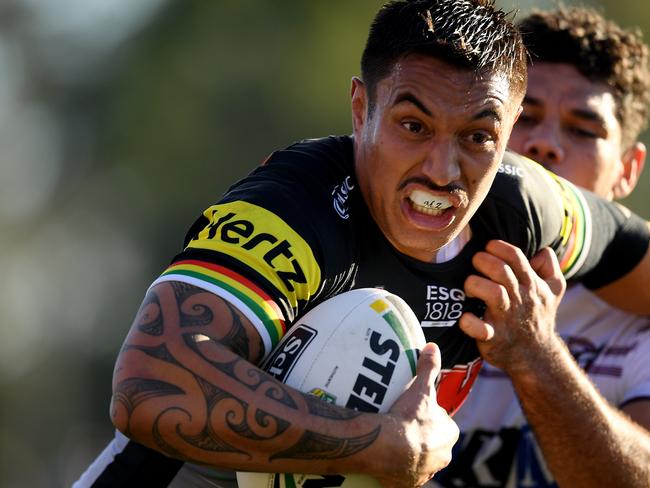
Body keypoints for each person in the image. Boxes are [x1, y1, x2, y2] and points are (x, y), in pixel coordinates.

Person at [74, 1, 650, 487]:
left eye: (477, 136)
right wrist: (375, 443)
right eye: (413, 126)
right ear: (361, 108)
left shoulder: (527, 207)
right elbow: (148, 382)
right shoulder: (295, 211)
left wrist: (536, 352)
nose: (442, 170)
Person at [434, 6, 650, 487]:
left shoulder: (640, 324)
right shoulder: (410, 264)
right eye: (525, 116)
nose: (545, 145)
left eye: (583, 130)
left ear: (627, 171)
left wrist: (536, 354)